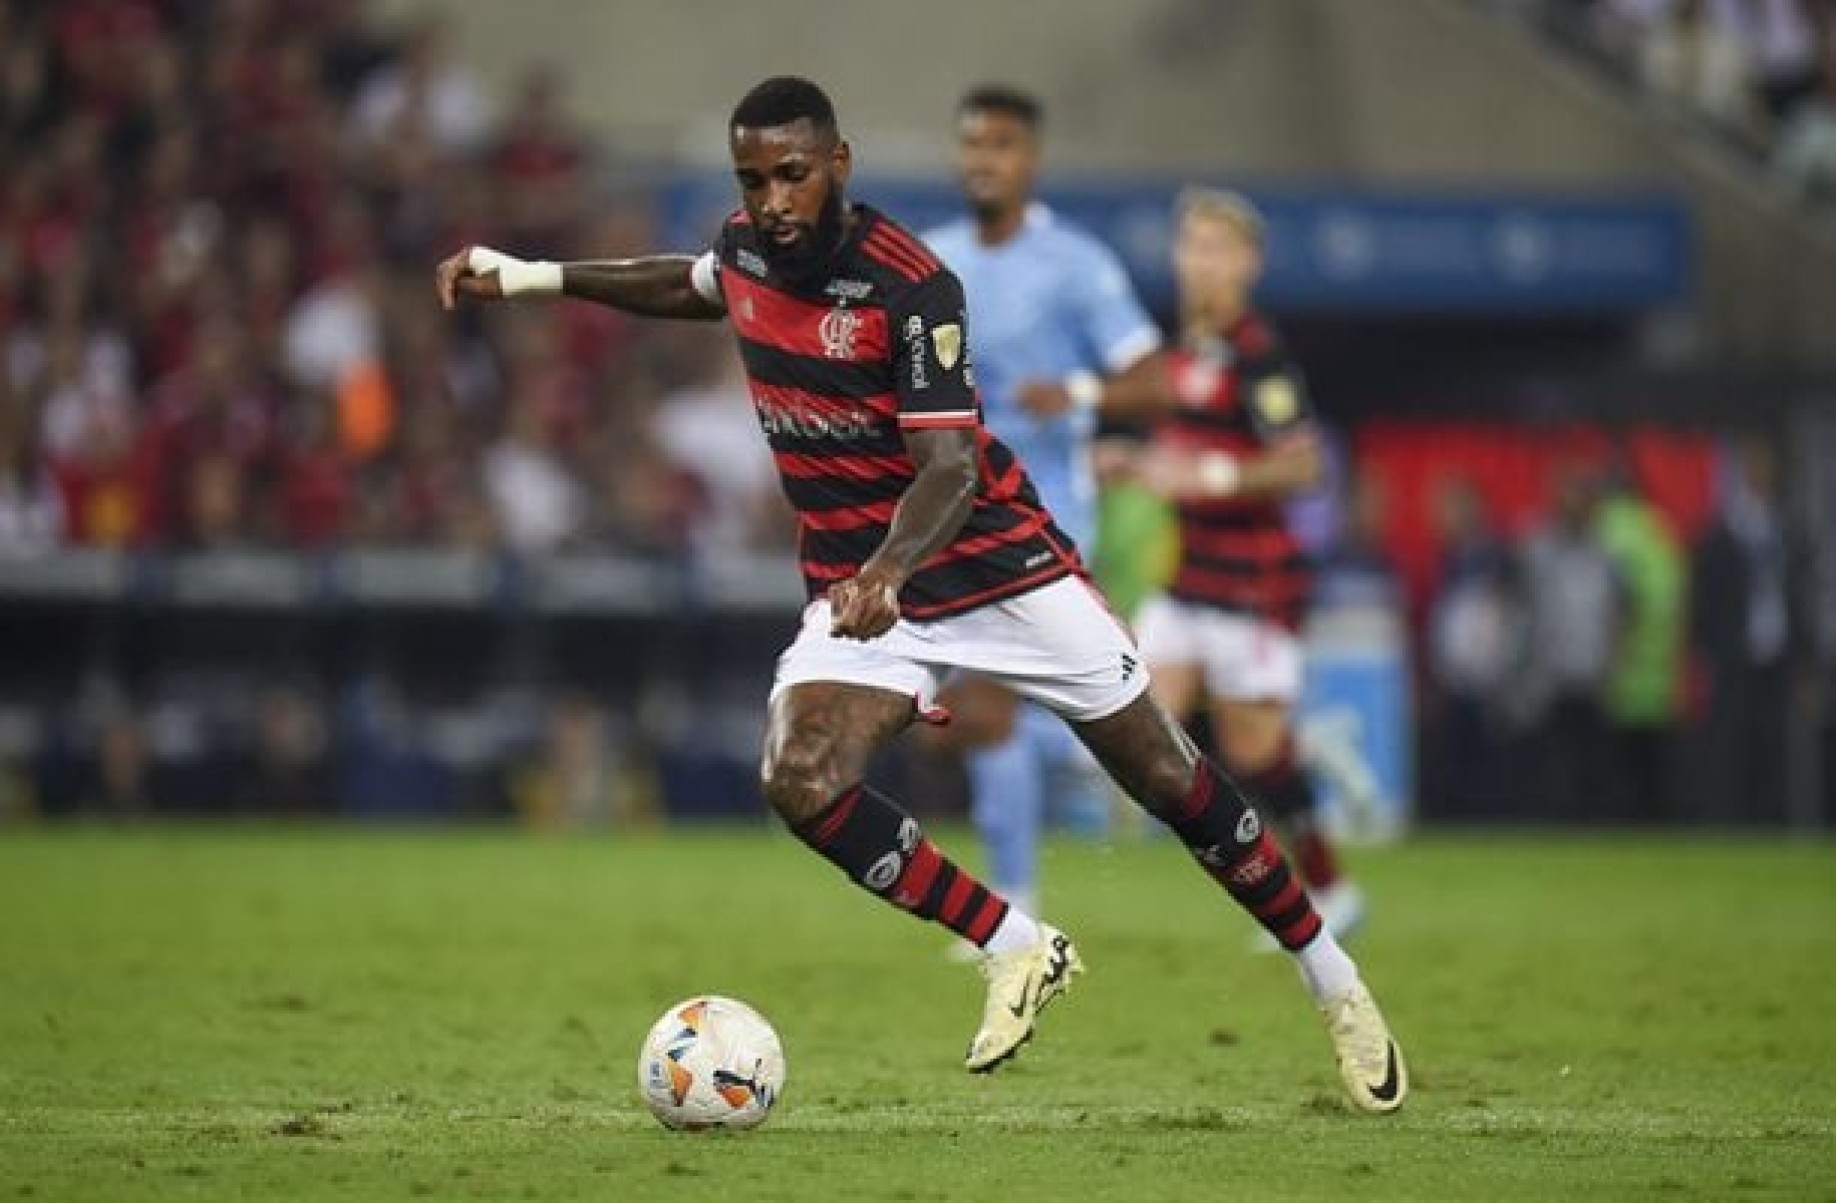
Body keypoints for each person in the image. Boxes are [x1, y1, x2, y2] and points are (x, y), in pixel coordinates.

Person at [436, 77, 1406, 1112]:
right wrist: (531, 275)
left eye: (792, 175)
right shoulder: (749, 248)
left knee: (1173, 781)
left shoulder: (914, 286)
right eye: (753, 179)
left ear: (839, 164)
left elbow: (947, 470)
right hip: (864, 591)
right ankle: (1014, 943)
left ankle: (1336, 986)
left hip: (995, 569)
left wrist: (891, 572)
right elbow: (688, 282)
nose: (771, 200)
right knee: (798, 775)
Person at [1038, 189, 1368, 941]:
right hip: (1189, 581)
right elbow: (1181, 456)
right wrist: (1134, 461)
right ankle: (1133, 861)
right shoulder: (1182, 352)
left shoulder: (1261, 355)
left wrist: (1210, 477)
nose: (1200, 263)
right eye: (1190, 246)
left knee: (1255, 751)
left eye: (1217, 249)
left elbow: (1302, 466)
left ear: (1248, 263)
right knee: (1136, 714)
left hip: (1254, 584)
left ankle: (1324, 881)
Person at [920, 86, 1163, 929]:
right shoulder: (931, 260)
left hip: (1047, 511)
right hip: (949, 509)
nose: (983, 159)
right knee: (963, 719)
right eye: (972, 144)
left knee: (986, 703)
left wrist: (1080, 388)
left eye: (1002, 144)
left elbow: (1153, 375)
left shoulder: (1076, 263)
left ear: (1032, 159)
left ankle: (1013, 908)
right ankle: (1076, 762)